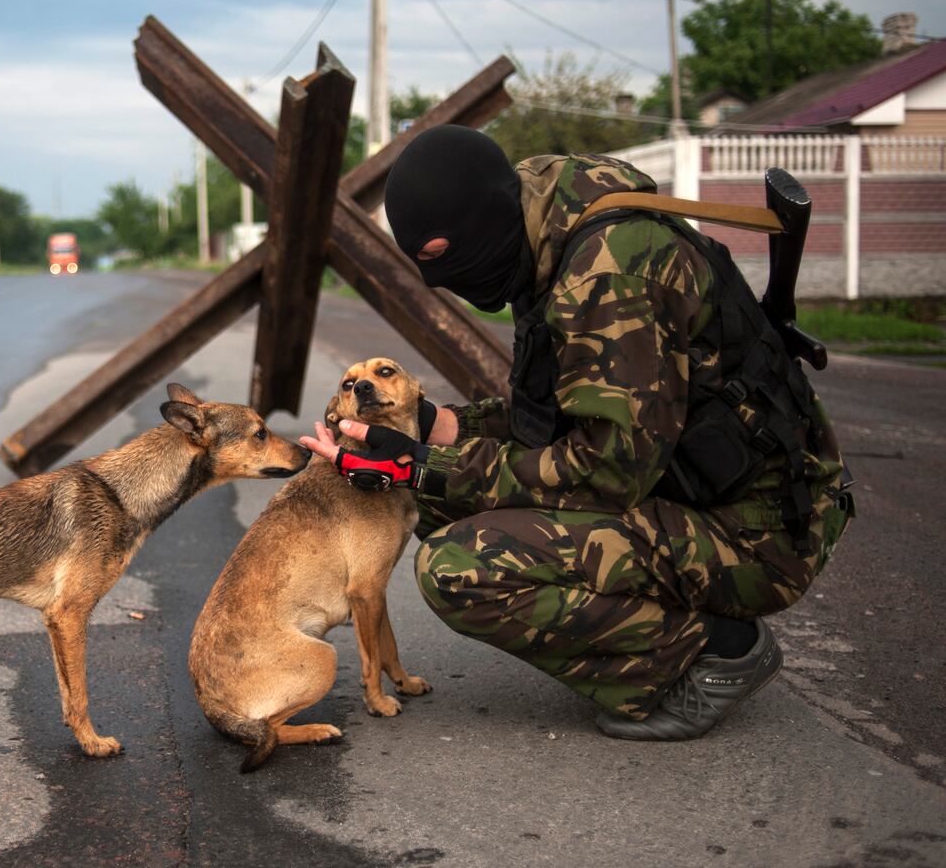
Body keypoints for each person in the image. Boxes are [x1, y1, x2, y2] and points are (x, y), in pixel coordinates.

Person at [299, 125, 853, 740]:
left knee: (457, 565)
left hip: (762, 533)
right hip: (692, 489)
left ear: (483, 221)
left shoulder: (608, 271)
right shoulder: (546, 236)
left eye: (443, 255)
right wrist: (432, 429)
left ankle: (709, 651)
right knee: (435, 494)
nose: (443, 280)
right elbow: (560, 415)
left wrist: (422, 466)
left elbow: (608, 469)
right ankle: (660, 623)